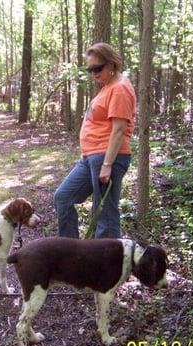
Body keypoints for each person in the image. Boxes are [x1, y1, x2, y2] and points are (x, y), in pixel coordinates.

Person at [54, 42, 136, 239]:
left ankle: (106, 267)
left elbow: (118, 130)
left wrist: (107, 164)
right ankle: (70, 254)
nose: (93, 74)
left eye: (97, 69)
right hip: (92, 157)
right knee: (63, 197)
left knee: (105, 214)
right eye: (90, 70)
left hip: (108, 157)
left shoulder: (120, 88)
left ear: (111, 64)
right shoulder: (108, 86)